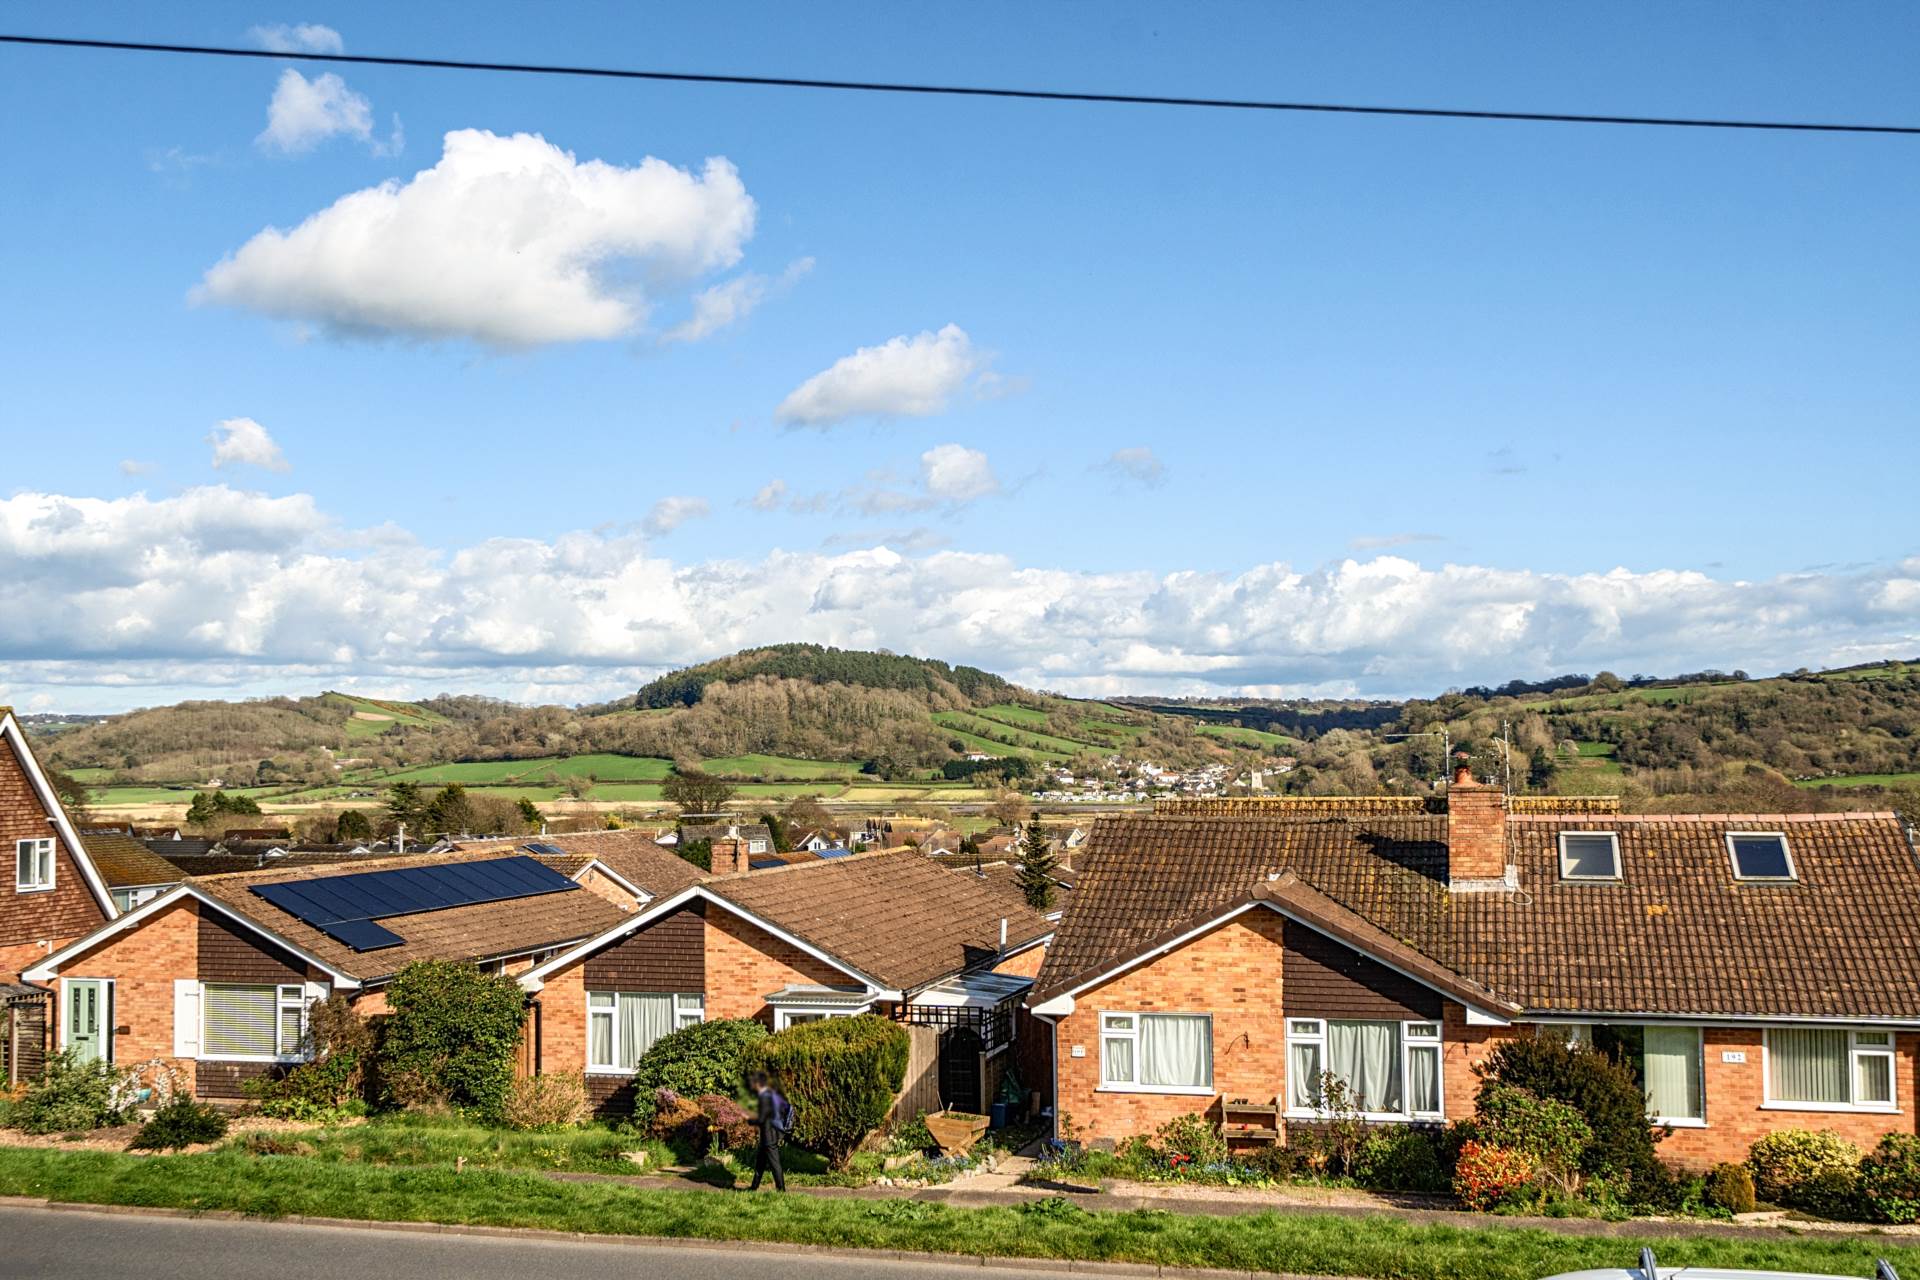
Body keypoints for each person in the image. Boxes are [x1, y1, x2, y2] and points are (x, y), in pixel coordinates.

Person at [747, 1070, 792, 1192]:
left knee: (774, 1163)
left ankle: (781, 1190)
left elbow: (762, 1119)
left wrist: (749, 1120)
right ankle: (753, 1187)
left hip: (769, 1135)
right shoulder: (769, 1094)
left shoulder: (765, 1097)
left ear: (757, 1083)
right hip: (767, 1135)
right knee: (760, 1163)